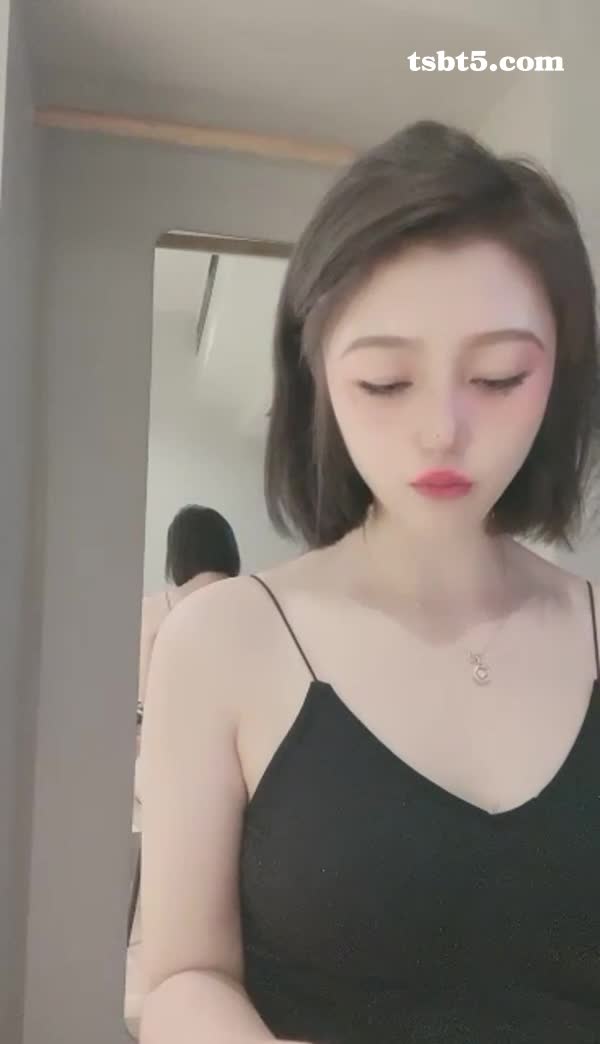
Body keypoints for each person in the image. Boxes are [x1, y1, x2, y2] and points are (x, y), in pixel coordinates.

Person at [139, 122, 600, 1044]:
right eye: (386, 382)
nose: (442, 431)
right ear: (317, 380)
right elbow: (182, 977)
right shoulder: (225, 640)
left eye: (499, 377)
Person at [137, 505, 241, 714]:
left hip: (170, 724)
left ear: (177, 556)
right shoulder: (256, 600)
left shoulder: (153, 609)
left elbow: (143, 702)